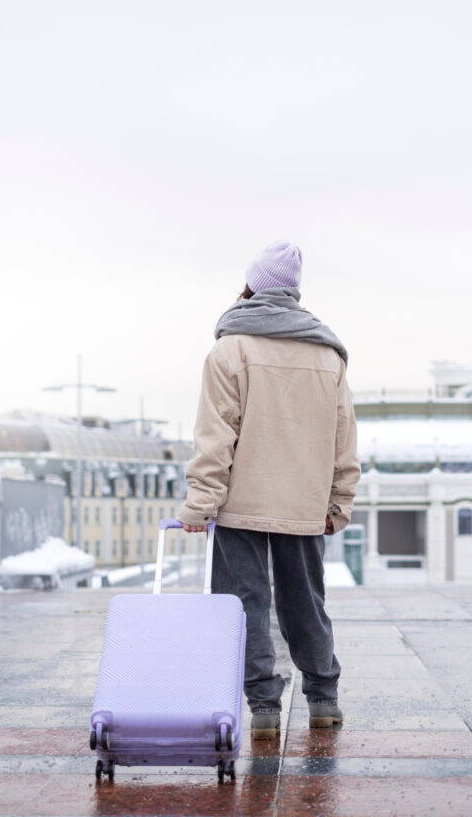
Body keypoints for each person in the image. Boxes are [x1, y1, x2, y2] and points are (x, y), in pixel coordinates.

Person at [178, 240, 361, 739]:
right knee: (306, 601)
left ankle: (262, 708)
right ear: (294, 293)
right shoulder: (328, 353)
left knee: (244, 604)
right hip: (304, 505)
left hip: (241, 506)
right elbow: (344, 435)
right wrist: (338, 502)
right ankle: (324, 699)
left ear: (252, 285)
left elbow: (216, 434)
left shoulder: (229, 348)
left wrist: (200, 504)